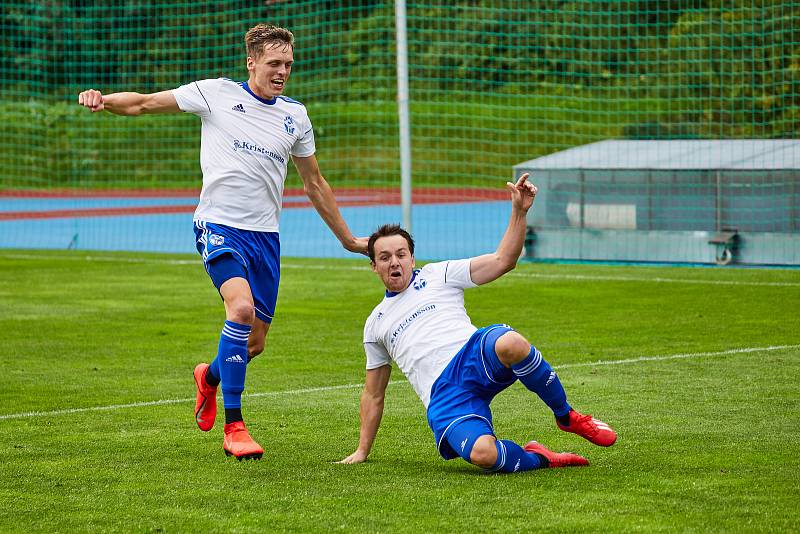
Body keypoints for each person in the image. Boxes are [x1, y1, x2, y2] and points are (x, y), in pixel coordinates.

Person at [78, 24, 367, 460]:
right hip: (218, 225)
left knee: (254, 343)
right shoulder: (214, 93)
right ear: (251, 61)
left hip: (265, 238)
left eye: (288, 64)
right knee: (241, 310)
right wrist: (103, 99)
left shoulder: (296, 116)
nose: (282, 72)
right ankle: (235, 427)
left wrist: (347, 239)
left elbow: (315, 183)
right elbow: (142, 103)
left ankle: (208, 378)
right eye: (274, 63)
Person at [339, 173, 617, 473]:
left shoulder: (439, 274)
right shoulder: (376, 323)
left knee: (510, 342)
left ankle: (567, 416)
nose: (394, 262)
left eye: (400, 254)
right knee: (484, 455)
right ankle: (542, 457)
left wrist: (519, 212)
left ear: (412, 258)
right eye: (384, 257)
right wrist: (362, 450)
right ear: (374, 266)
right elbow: (373, 393)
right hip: (444, 396)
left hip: (473, 355)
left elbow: (503, 261)